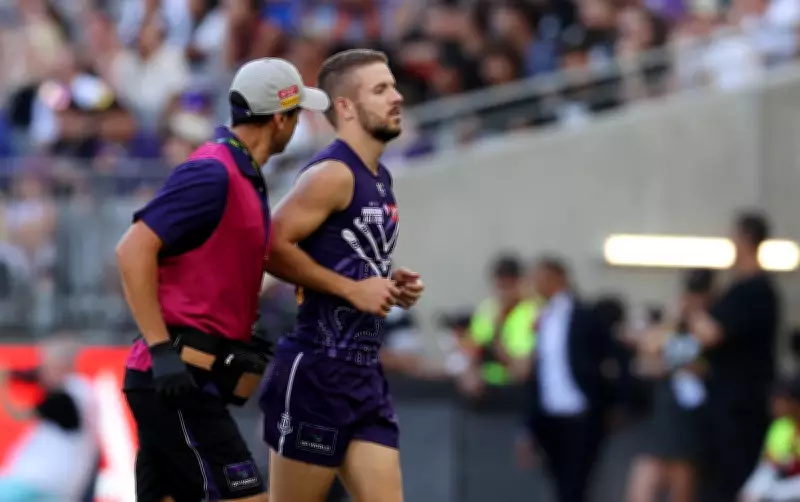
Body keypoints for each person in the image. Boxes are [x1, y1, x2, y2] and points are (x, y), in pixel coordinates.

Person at [116, 58, 329, 502]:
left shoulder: (243, 173)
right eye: (297, 113)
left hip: (190, 380)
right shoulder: (213, 172)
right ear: (279, 119)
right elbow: (133, 249)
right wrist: (160, 349)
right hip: (176, 380)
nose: (298, 123)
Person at [259, 49, 425, 502]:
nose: (397, 97)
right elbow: (269, 245)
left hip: (364, 374)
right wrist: (354, 288)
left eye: (392, 85)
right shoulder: (333, 173)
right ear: (346, 107)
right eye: (380, 89)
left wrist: (391, 286)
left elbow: (348, 258)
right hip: (317, 372)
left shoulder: (381, 177)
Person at [653, 212, 780, 502]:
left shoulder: (754, 291)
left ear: (745, 239)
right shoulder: (737, 289)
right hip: (722, 406)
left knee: (731, 482)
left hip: (740, 410)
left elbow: (708, 335)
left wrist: (691, 309)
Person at [516, 256, 613, 502]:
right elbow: (537, 374)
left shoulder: (585, 316)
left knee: (575, 486)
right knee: (559, 484)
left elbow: (608, 361)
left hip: (581, 413)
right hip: (549, 415)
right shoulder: (542, 317)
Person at [626, 269, 716, 502]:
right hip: (662, 416)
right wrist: (675, 317)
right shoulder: (673, 326)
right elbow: (647, 354)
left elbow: (701, 362)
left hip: (692, 422)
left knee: (682, 487)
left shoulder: (711, 325)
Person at [0, 335, 100, 502]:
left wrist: (3, 387)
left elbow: (17, 413)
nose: (41, 370)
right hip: (59, 482)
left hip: (43, 481)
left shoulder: (64, 398)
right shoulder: (81, 389)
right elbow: (31, 376)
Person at [739, 375, 800, 502]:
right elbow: (769, 461)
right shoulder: (780, 426)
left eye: (780, 400)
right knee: (762, 478)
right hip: (786, 479)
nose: (773, 405)